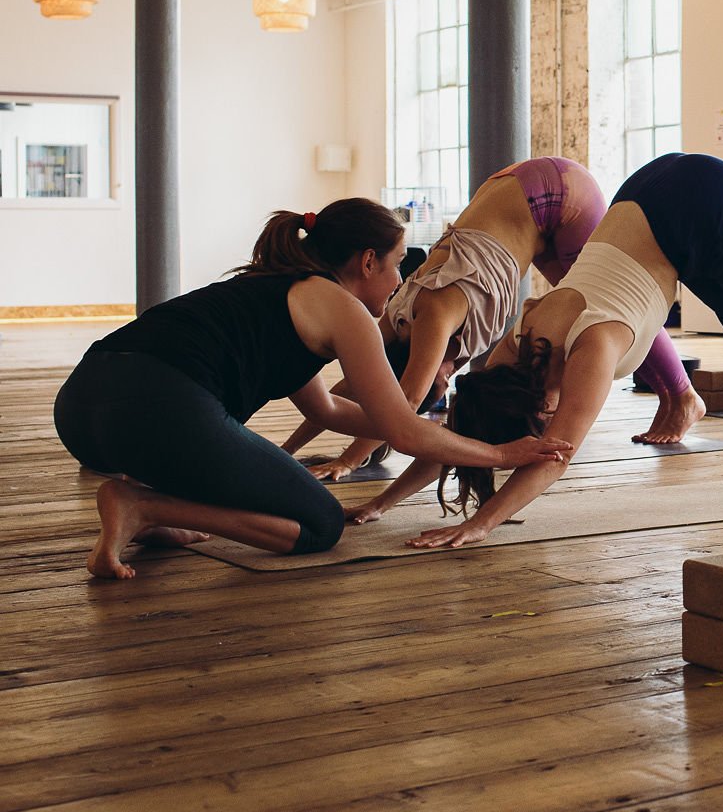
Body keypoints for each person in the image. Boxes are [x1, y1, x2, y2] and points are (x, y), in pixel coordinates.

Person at [350, 153, 723, 549]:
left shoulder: (593, 346)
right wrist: (380, 503)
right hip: (653, 197)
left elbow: (555, 456)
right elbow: (461, 434)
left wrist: (478, 525)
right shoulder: (512, 355)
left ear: (539, 409)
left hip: (694, 200)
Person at [53, 199, 569, 579]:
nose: (396, 282)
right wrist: (497, 453)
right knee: (319, 524)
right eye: (394, 266)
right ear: (367, 261)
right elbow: (399, 429)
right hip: (158, 405)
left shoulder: (271, 286)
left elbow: (328, 408)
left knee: (233, 468)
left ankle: (154, 514)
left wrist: (443, 435)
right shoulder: (342, 308)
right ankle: (142, 507)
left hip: (81, 410)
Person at [282, 157, 702, 480]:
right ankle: (678, 394)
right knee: (588, 307)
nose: (447, 385)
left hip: (557, 194)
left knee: (611, 304)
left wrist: (349, 459)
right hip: (514, 186)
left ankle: (683, 396)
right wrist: (286, 451)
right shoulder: (397, 320)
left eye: (439, 386)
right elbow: (345, 388)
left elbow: (406, 402)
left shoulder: (433, 315)